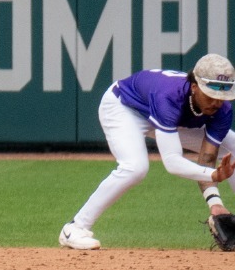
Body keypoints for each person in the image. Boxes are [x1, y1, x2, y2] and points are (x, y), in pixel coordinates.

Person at [59, 54, 235, 250]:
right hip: (125, 108)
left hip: (169, 117)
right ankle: (75, 228)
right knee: (135, 168)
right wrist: (212, 174)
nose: (217, 102)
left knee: (234, 145)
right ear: (195, 87)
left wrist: (215, 203)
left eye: (222, 96)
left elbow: (208, 156)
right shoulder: (169, 96)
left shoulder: (222, 110)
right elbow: (172, 162)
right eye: (211, 95)